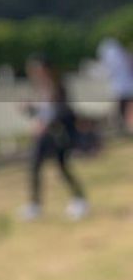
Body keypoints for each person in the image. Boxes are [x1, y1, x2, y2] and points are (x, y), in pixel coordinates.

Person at [17, 53, 89, 221]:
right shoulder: (39, 88)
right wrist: (29, 110)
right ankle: (35, 205)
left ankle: (79, 200)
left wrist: (44, 123)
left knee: (62, 168)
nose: (35, 73)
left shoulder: (58, 87)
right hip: (45, 136)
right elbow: (42, 113)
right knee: (34, 167)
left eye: (37, 69)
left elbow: (61, 112)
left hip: (58, 135)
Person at [96, 36, 133, 136]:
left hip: (122, 89)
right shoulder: (124, 57)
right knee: (127, 111)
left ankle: (128, 129)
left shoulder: (111, 59)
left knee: (126, 112)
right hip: (125, 88)